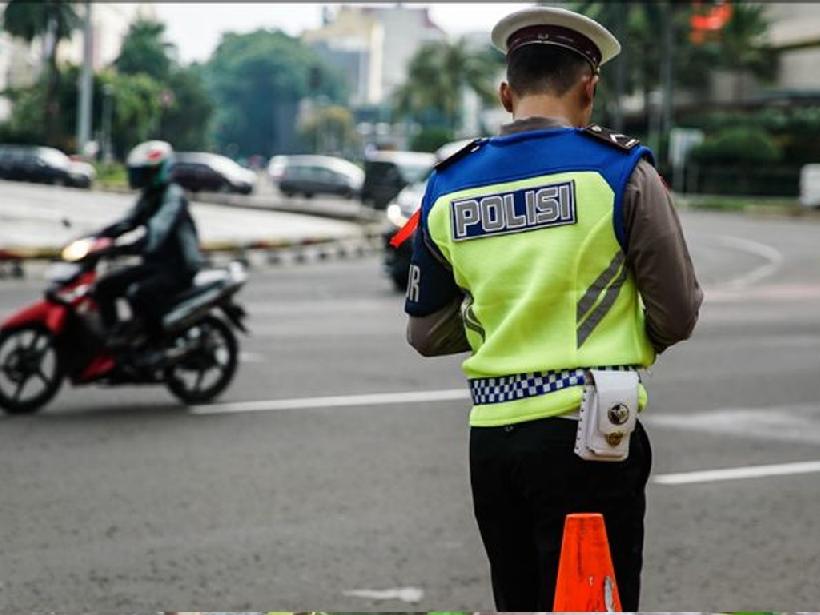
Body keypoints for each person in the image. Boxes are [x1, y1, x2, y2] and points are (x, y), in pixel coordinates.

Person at [403, 7, 702, 611]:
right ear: (589, 86)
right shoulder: (621, 172)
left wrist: (503, 314)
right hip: (589, 435)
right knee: (591, 603)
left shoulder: (447, 185)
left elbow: (425, 332)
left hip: (490, 442)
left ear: (506, 91)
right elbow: (678, 312)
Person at [94, 140, 202, 344]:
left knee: (139, 294)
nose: (143, 177)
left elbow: (157, 231)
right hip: (155, 264)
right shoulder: (149, 196)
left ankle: (156, 344)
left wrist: (126, 247)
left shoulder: (173, 197)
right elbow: (127, 222)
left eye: (147, 172)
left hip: (179, 267)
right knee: (104, 286)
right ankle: (113, 340)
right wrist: (97, 237)